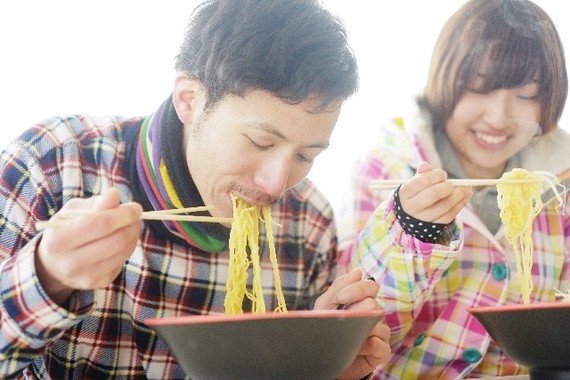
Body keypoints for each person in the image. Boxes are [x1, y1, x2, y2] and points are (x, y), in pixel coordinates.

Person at [0, 0, 391, 378]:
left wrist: (317, 361)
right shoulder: (55, 165)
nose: (276, 184)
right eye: (260, 142)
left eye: (306, 156)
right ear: (190, 99)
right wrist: (46, 277)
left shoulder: (308, 220)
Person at [337, 0, 569, 378]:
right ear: (444, 81)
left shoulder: (558, 185)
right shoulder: (383, 168)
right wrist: (414, 232)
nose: (498, 118)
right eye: (479, 88)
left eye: (526, 95)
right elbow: (356, 333)